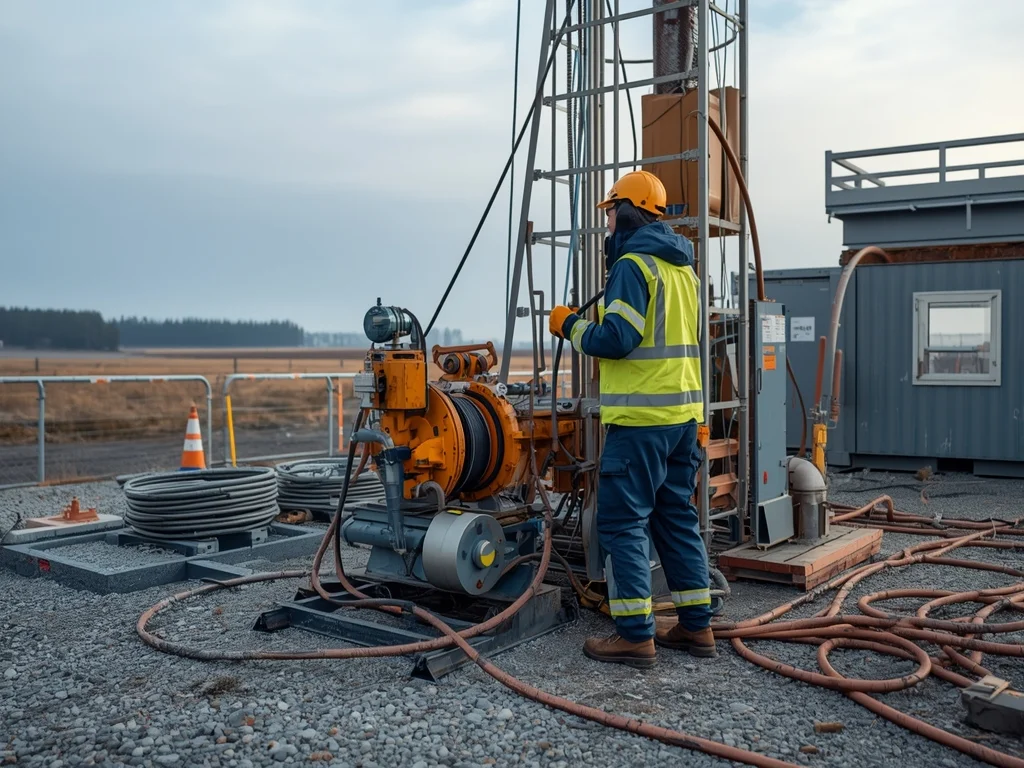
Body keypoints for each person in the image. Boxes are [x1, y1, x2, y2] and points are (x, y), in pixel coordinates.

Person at [549, 170, 714, 668]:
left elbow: (617, 339)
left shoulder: (633, 266)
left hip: (640, 423)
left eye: (610, 213)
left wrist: (570, 326)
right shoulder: (682, 268)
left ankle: (635, 635)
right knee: (676, 519)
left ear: (626, 212)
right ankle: (696, 627)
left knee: (623, 525)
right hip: (682, 420)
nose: (607, 226)